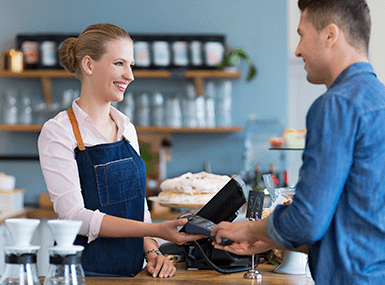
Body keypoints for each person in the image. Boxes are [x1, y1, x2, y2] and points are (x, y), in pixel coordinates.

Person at [211, 0, 385, 284]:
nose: (297, 49)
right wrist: (272, 239)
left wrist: (250, 230)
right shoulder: (379, 99)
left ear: (330, 35)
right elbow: (356, 221)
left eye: (302, 34)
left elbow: (307, 222)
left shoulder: (335, 105)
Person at [38, 23, 203, 278]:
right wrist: (158, 231)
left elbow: (140, 209)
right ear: (89, 65)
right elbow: (74, 216)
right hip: (86, 274)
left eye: (131, 65)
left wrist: (152, 251)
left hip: (135, 273)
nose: (130, 75)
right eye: (119, 64)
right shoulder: (59, 131)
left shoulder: (126, 127)